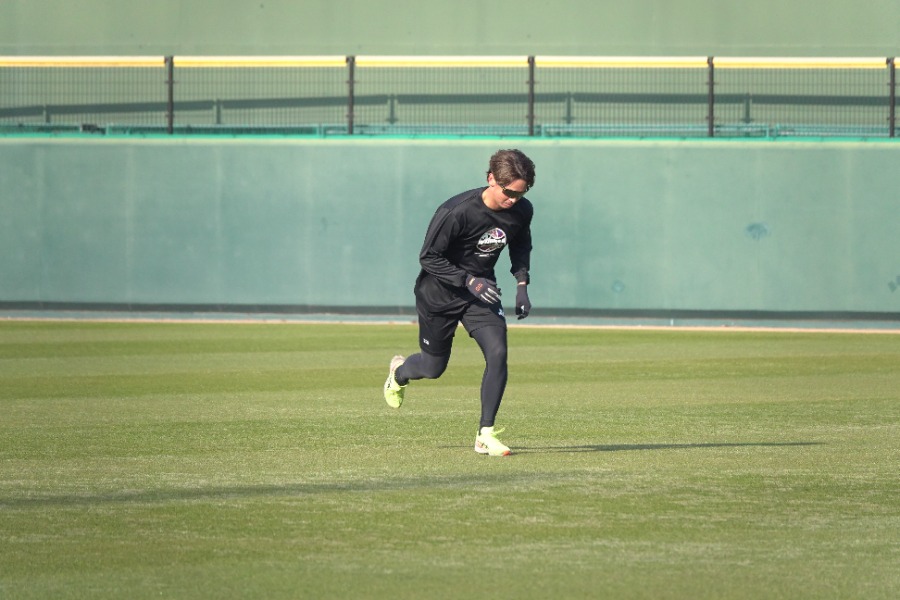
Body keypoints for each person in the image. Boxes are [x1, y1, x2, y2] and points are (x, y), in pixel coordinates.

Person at [383, 148, 536, 457]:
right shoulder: (456, 211)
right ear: (491, 179)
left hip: (480, 293)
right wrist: (467, 280)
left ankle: (485, 434)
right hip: (438, 294)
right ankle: (399, 373)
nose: (514, 200)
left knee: (498, 352)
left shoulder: (522, 210)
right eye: (508, 193)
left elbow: (520, 244)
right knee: (433, 368)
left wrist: (522, 283)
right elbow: (428, 257)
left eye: (521, 194)